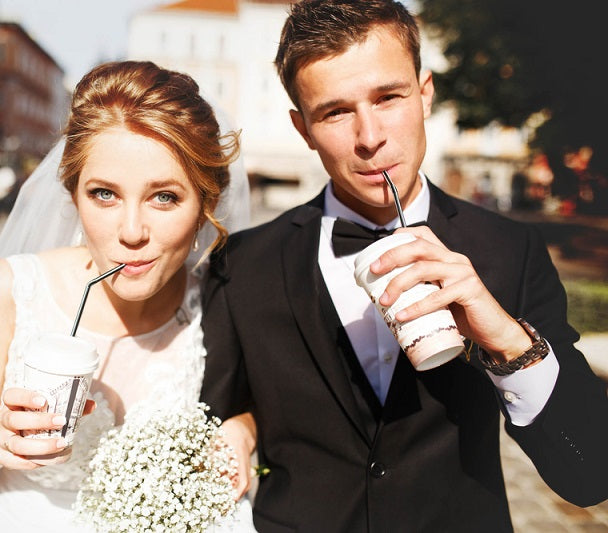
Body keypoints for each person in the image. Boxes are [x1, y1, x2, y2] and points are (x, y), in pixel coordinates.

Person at [199, 1, 608, 531]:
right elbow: (214, 416)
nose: (369, 137)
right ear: (303, 129)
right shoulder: (242, 263)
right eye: (335, 112)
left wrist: (507, 341)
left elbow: (589, 474)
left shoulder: (511, 249)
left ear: (425, 93)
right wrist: (240, 429)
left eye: (388, 97)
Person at [0, 60, 256, 532]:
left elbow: (266, 404)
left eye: (164, 197)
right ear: (73, 194)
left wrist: (243, 431)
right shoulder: (12, 290)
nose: (130, 232)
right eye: (104, 194)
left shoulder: (220, 301)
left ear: (206, 204)